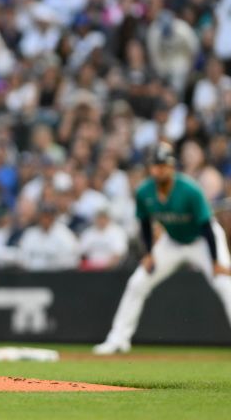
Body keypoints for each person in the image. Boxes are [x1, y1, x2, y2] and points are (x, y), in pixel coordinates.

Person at [93, 142, 231, 354]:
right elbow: (146, 224)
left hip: (202, 240)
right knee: (137, 282)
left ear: (172, 167)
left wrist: (215, 262)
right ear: (150, 168)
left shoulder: (190, 190)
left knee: (224, 284)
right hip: (173, 241)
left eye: (164, 165)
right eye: (156, 165)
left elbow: (206, 228)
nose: (159, 169)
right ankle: (118, 339)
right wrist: (149, 253)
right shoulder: (144, 191)